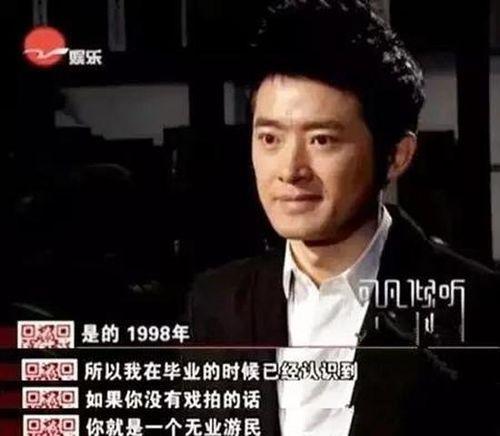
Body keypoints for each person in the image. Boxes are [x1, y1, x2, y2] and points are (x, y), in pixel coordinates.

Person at [184, 1, 499, 435]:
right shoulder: (217, 301)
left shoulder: (478, 308)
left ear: (396, 156)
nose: (290, 170)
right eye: (270, 138)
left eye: (322, 140)